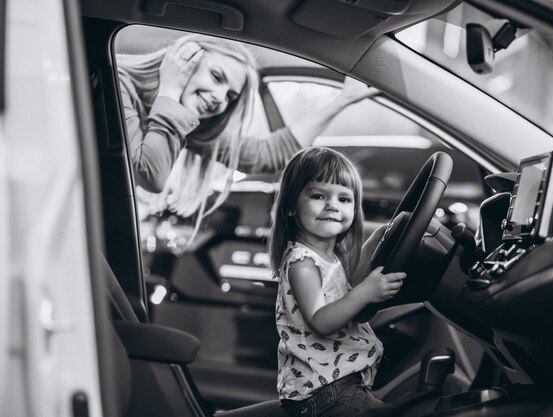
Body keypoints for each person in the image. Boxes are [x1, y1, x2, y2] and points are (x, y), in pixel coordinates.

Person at [115, 34, 379, 231]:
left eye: (229, 95)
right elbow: (150, 174)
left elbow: (267, 154)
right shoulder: (119, 83)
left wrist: (343, 100)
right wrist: (170, 90)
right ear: (182, 60)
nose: (219, 98)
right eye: (216, 76)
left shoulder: (187, 122)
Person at [268, 147, 406, 417]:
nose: (332, 205)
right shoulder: (303, 263)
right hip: (320, 393)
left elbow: (342, 291)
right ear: (290, 207)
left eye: (344, 199)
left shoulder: (328, 256)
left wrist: (380, 239)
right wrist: (366, 293)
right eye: (318, 196)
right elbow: (321, 320)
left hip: (335, 384)